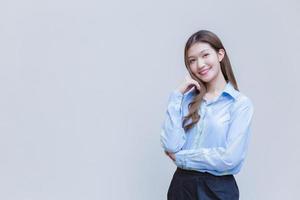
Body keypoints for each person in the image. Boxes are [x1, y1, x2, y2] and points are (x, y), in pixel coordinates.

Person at [160, 30, 254, 200]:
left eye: (205, 55)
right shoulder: (186, 99)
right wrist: (177, 95)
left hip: (217, 190)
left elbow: (230, 158)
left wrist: (182, 158)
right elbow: (171, 145)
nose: (200, 64)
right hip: (181, 186)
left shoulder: (239, 104)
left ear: (220, 54)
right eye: (192, 60)